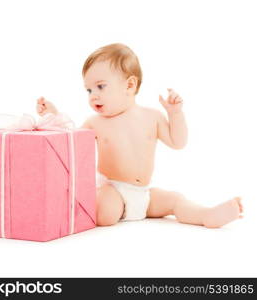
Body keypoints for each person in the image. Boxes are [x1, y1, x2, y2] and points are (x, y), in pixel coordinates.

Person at [36, 43, 243, 228]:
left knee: (175, 200)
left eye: (100, 86)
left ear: (129, 85)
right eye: (88, 90)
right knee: (105, 212)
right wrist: (54, 115)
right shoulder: (94, 123)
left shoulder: (152, 117)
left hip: (144, 194)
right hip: (113, 189)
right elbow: (70, 142)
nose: (93, 96)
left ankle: (206, 215)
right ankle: (78, 209)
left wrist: (175, 115)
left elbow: (178, 142)